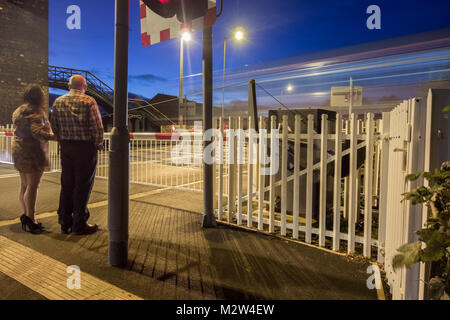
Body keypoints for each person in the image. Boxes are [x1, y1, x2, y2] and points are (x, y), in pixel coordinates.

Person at [50, 74, 104, 235]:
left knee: (67, 184)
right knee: (83, 185)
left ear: (69, 86)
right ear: (85, 86)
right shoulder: (89, 101)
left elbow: (54, 125)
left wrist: (61, 139)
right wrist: (98, 142)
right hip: (85, 148)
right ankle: (79, 224)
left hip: (66, 147)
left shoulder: (58, 101)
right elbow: (97, 126)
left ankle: (64, 221)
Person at [12, 85, 55, 234]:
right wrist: (56, 137)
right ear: (38, 97)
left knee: (24, 184)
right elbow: (37, 133)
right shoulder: (36, 111)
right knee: (33, 186)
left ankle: (25, 215)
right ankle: (31, 219)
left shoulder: (18, 110)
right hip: (32, 152)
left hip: (18, 150)